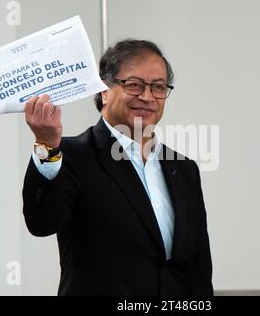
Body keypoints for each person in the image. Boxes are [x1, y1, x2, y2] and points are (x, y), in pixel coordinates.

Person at [22, 39, 213, 296]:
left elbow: (198, 267)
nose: (147, 97)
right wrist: (46, 144)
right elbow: (42, 223)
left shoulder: (184, 169)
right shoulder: (71, 155)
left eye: (158, 87)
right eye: (134, 85)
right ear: (104, 90)